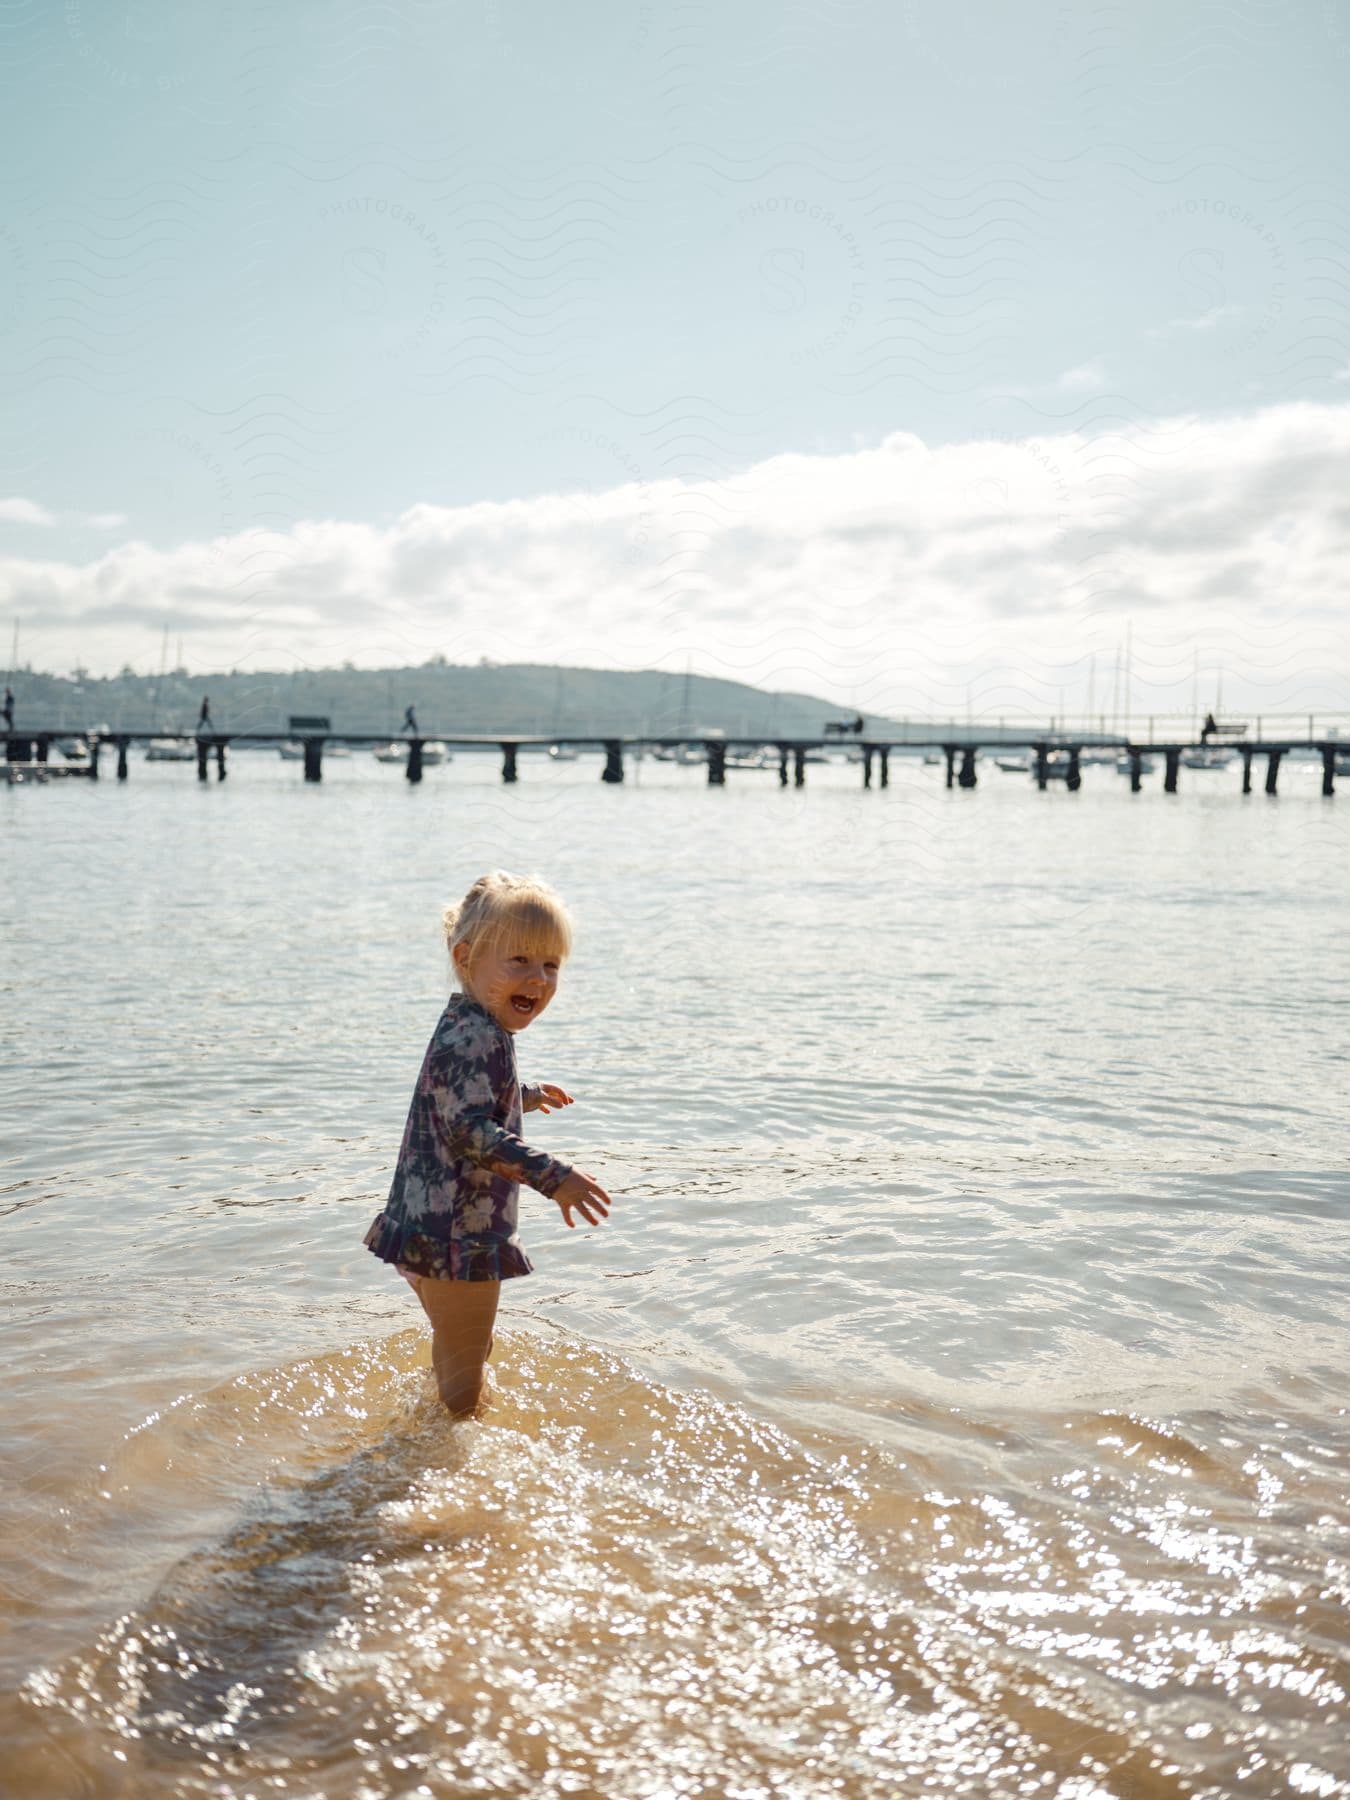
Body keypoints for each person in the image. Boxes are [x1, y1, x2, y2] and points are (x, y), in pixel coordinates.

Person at [363, 871, 611, 1416]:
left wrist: (524, 1095)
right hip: (460, 1233)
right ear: (466, 957)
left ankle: (429, 1428)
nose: (538, 979)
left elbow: (458, 1097)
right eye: (519, 961)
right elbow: (471, 1131)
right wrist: (555, 1177)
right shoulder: (480, 1034)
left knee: (462, 1351)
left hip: (424, 1224)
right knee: (466, 1375)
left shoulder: (466, 1022)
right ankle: (447, 1462)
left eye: (551, 965)